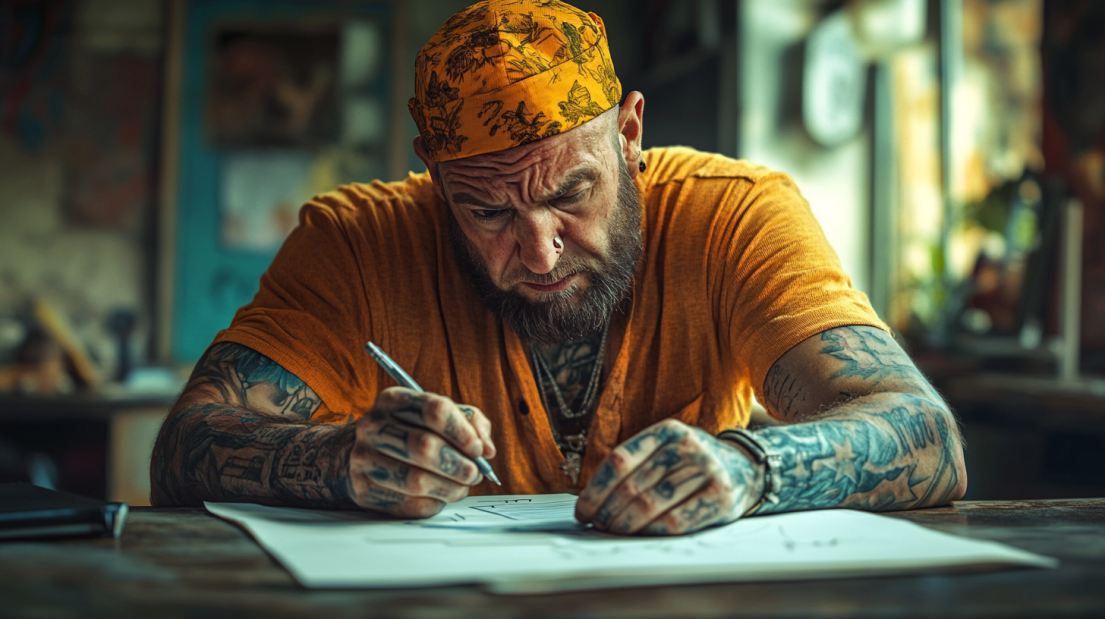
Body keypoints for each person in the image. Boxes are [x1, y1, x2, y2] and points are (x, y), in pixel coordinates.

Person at [150, 0, 966, 536]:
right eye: (488, 212)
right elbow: (182, 446)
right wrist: (333, 461)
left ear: (630, 132)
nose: (539, 251)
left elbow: (925, 434)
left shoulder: (734, 218)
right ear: (433, 175)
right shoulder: (358, 246)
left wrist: (750, 465)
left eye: (573, 194)